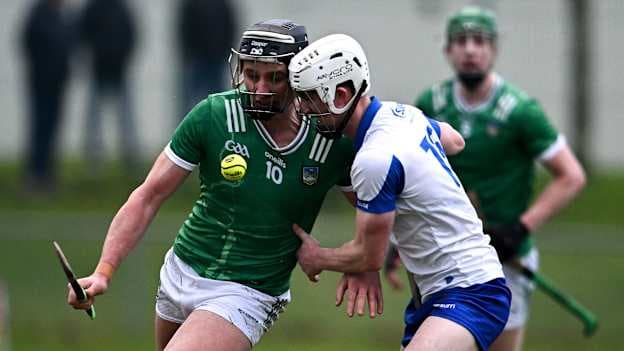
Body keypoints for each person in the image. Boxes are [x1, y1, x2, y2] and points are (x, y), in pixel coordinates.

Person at [66, 20, 368, 351]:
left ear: (297, 77)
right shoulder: (214, 114)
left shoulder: (329, 138)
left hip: (249, 291)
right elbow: (148, 196)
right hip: (181, 270)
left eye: (274, 77)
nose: (259, 88)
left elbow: (375, 207)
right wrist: (103, 271)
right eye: (252, 74)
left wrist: (361, 261)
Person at [289, 33, 511, 351]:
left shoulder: (373, 160)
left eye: (310, 98)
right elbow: (454, 141)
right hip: (441, 292)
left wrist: (318, 258)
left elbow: (370, 255)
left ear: (340, 94)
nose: (304, 109)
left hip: (469, 292)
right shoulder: (402, 115)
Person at [407, 6, 586, 351]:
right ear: (447, 50)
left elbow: (571, 176)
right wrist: (399, 242)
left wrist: (521, 228)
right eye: (461, 41)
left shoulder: (520, 111)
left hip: (506, 257)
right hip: (444, 253)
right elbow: (414, 172)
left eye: (480, 40)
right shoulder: (432, 103)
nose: (470, 49)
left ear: (494, 49)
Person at [20, 0, 74, 192]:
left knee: (51, 130)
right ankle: (36, 175)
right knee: (40, 129)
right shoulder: (39, 15)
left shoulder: (60, 16)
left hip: (57, 84)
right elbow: (30, 44)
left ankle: (47, 174)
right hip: (42, 83)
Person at [79, 0, 139, 171]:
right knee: (95, 118)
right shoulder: (93, 8)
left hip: (119, 70)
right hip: (99, 71)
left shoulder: (122, 8)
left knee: (125, 117)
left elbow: (132, 35)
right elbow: (83, 36)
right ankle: (94, 157)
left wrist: (124, 58)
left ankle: (129, 156)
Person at [176, 0, 237, 116]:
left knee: (217, 102)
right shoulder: (191, 4)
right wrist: (188, 55)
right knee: (190, 102)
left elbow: (230, 26)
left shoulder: (221, 4)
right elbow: (184, 29)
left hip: (215, 61)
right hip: (197, 61)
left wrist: (226, 53)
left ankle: (217, 130)